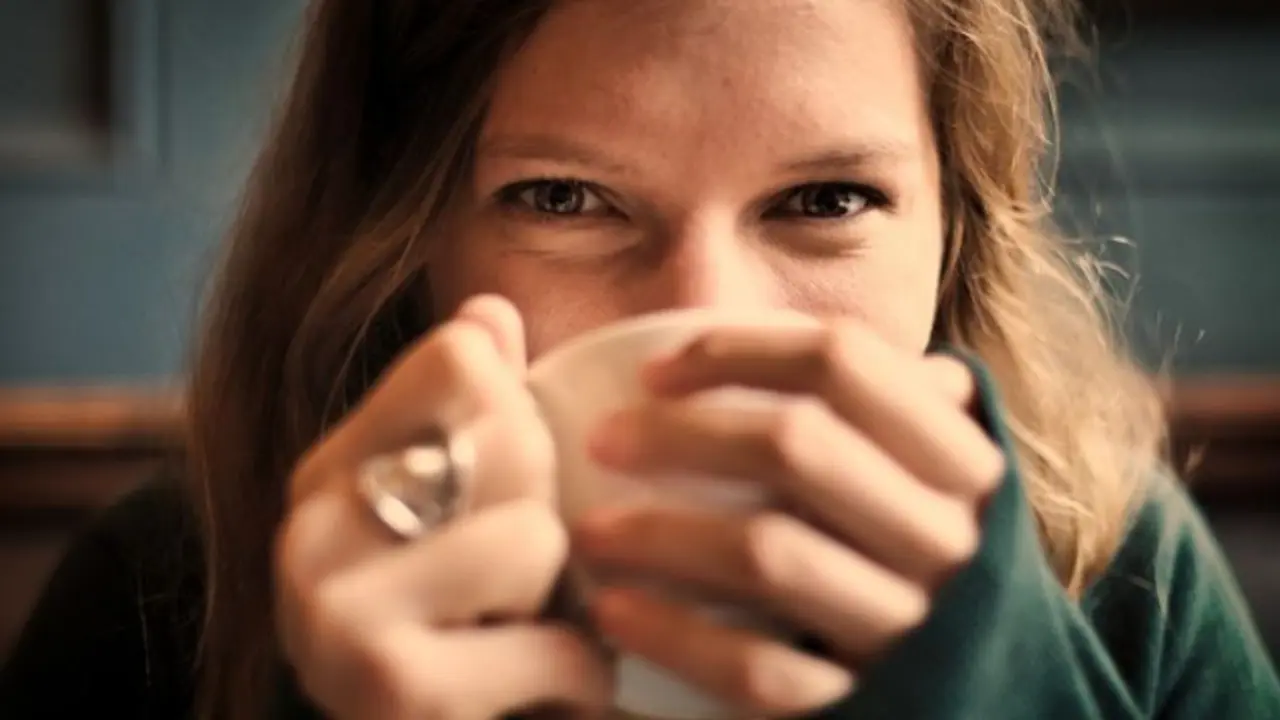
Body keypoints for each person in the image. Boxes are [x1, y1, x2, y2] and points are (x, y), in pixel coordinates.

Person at [2, 0, 1278, 718]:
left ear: (955, 233)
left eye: (825, 201)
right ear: (404, 241)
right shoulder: (167, 592)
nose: (709, 321)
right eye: (562, 199)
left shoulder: (1118, 573)